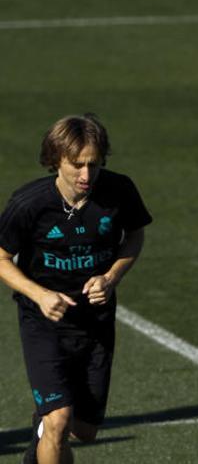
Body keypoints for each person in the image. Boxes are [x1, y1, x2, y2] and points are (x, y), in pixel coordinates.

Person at [0, 114, 152, 464]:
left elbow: (135, 234)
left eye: (94, 165)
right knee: (60, 420)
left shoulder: (119, 191)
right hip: (44, 323)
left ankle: (42, 431)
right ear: (56, 160)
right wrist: (39, 295)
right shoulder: (29, 204)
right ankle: (48, 425)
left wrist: (111, 278)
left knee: (83, 430)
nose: (86, 176)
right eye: (77, 165)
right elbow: (1, 255)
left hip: (95, 322)